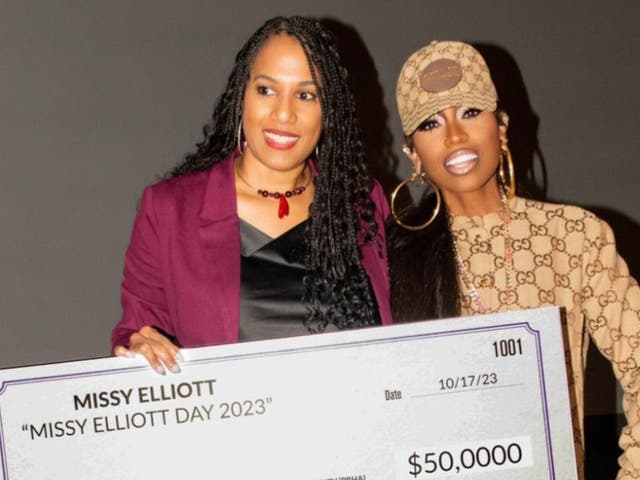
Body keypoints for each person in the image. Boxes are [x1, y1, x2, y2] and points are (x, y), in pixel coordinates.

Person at [388, 40, 640, 479]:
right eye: (431, 122)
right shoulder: (393, 260)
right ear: (413, 154)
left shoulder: (573, 236)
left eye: (469, 112)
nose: (454, 136)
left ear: (500, 126)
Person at [111, 16, 391, 375]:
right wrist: (140, 346)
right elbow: (137, 329)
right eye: (266, 90)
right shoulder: (169, 209)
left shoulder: (362, 203)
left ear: (329, 112)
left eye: (306, 95)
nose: (284, 113)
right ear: (240, 96)